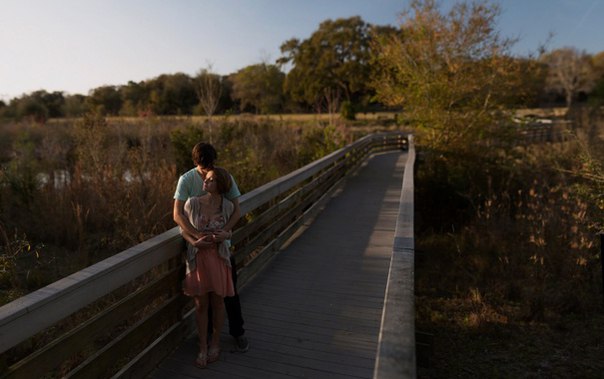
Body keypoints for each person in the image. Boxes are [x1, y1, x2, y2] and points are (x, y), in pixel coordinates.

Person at [173, 143, 249, 355]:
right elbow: (177, 214)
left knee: (229, 294)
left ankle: (237, 332)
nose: (207, 170)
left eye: (210, 165)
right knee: (203, 297)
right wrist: (195, 236)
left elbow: (236, 210)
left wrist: (225, 232)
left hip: (222, 248)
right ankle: (205, 339)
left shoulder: (223, 176)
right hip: (198, 249)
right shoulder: (187, 180)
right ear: (196, 162)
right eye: (202, 166)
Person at [180, 167, 235, 367]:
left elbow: (230, 232)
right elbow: (182, 230)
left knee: (218, 303)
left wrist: (226, 235)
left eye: (211, 180)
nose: (206, 182)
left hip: (219, 259)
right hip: (199, 260)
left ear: (220, 185)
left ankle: (215, 343)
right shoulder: (193, 203)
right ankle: (202, 347)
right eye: (206, 179)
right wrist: (193, 242)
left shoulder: (227, 206)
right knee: (201, 305)